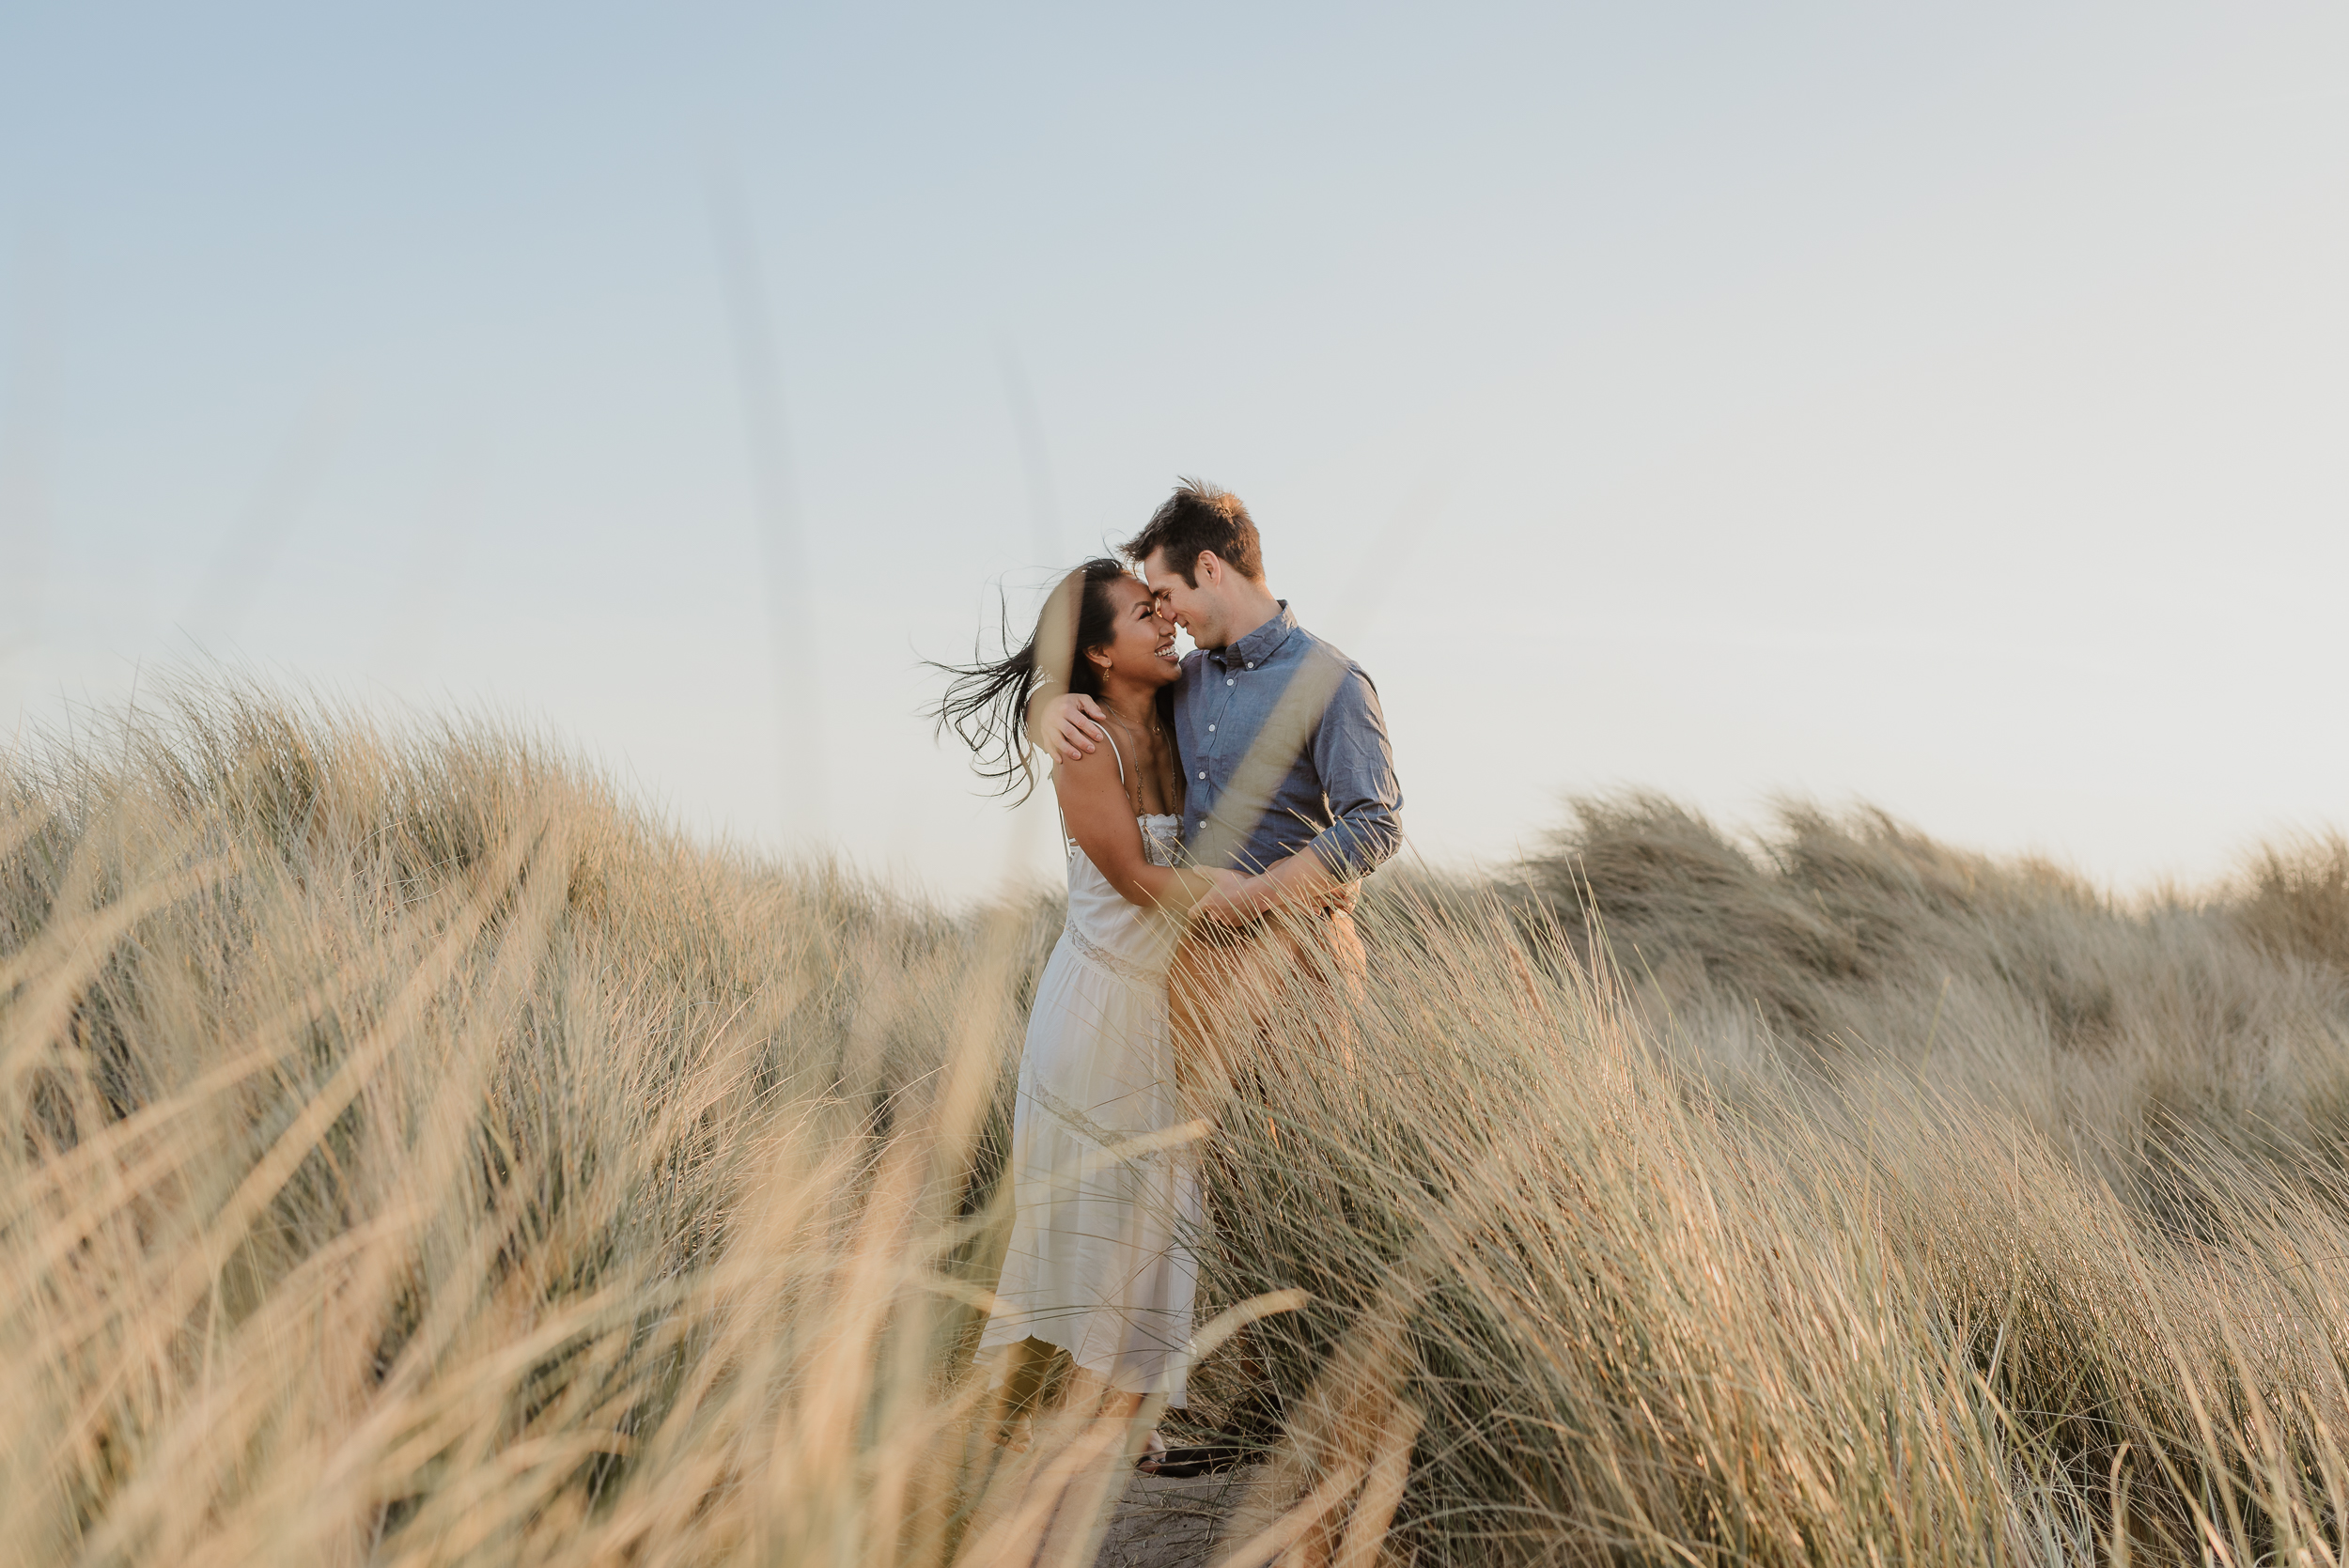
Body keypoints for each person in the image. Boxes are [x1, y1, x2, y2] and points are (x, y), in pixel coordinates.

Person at [933, 556, 1241, 1472]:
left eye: (1164, 607)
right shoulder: (1084, 742)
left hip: (1158, 1016)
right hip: (1096, 1007)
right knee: (1080, 1221)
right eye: (1147, 614)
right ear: (1102, 653)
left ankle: (1129, 1433)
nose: (1167, 623)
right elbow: (1140, 882)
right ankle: (1003, 1431)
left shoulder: (1184, 710)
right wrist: (1259, 892)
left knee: (1159, 1212)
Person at [1032, 480, 1405, 1066]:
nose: (1165, 616)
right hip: (1199, 960)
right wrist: (1047, 706)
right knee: (1205, 1153)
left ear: (1209, 568)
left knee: (1313, 1142)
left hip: (1303, 956)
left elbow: (1375, 824)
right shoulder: (1186, 677)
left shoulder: (1332, 679)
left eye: (1165, 594)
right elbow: (1107, 698)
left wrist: (1257, 896)